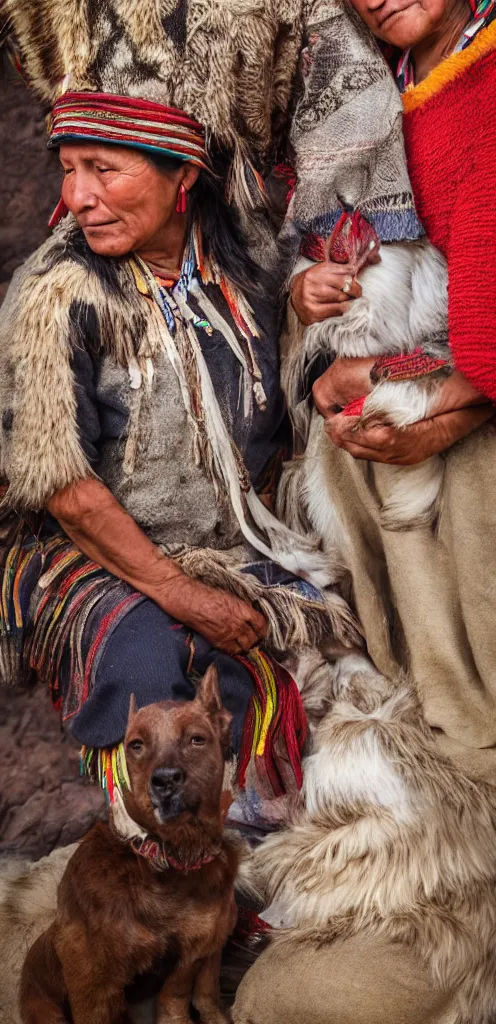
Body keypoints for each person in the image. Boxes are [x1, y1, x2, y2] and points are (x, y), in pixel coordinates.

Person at [0, 0, 357, 824]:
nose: (80, 196)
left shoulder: (253, 258)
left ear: (181, 176)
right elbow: (68, 492)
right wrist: (180, 593)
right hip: (88, 547)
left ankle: (281, 830)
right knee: (151, 655)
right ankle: (170, 848)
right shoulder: (58, 294)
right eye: (68, 169)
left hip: (230, 535)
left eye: (105, 169)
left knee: (325, 651)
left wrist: (307, 308)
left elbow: (288, 380)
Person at [288, 0, 496, 792]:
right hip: (433, 364)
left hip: (491, 410)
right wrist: (311, 294)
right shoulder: (364, 90)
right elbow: (330, 239)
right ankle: (430, 733)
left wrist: (421, 399)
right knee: (351, 460)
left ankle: (482, 744)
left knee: (481, 501)